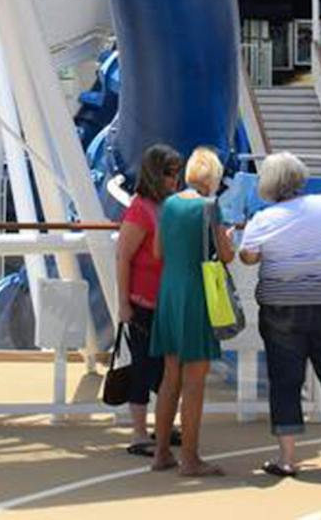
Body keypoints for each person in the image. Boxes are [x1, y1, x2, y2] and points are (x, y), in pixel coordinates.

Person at [236, 152, 321, 479]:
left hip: (283, 303)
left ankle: (288, 459)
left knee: (285, 379)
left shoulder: (263, 219)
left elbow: (248, 256)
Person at [151, 145, 233, 477]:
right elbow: (226, 256)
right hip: (197, 294)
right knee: (194, 382)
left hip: (169, 291)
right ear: (212, 177)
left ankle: (160, 454)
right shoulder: (210, 207)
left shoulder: (168, 205)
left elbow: (158, 251)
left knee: (170, 376)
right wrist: (226, 239)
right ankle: (190, 458)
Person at [115, 144, 181, 456]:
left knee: (166, 368)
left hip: (167, 301)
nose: (175, 180)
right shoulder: (141, 209)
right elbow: (124, 257)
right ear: (157, 174)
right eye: (170, 174)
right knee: (143, 367)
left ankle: (163, 424)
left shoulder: (169, 206)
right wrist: (123, 303)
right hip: (143, 301)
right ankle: (139, 433)